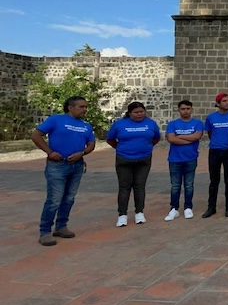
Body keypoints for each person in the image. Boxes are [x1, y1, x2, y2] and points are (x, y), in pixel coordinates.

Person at [32, 96, 96, 246]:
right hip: (57, 165)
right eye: (81, 107)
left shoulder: (86, 126)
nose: (85, 109)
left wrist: (82, 153)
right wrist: (50, 152)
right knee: (54, 199)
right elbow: (36, 135)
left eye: (86, 107)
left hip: (77, 165)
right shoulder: (56, 120)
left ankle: (61, 226)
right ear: (70, 107)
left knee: (69, 198)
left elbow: (91, 144)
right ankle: (45, 231)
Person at [107, 102, 161, 227]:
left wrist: (146, 147)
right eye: (136, 112)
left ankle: (139, 212)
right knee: (124, 187)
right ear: (129, 113)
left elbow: (156, 138)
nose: (139, 114)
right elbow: (110, 139)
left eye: (141, 112)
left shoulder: (151, 123)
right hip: (124, 159)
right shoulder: (120, 124)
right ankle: (122, 215)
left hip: (144, 159)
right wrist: (121, 148)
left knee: (139, 186)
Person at [203, 93, 228, 218]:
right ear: (218, 103)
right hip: (214, 151)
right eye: (224, 101)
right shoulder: (211, 117)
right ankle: (211, 207)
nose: (227, 103)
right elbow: (210, 133)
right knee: (214, 180)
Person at [164, 100, 204, 221]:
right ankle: (174, 208)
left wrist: (180, 136)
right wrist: (189, 139)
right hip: (175, 159)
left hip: (190, 158)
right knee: (175, 185)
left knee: (189, 185)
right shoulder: (172, 124)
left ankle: (188, 207)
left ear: (191, 109)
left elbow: (197, 136)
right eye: (183, 109)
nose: (185, 111)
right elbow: (171, 139)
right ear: (178, 110)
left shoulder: (197, 123)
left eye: (187, 108)